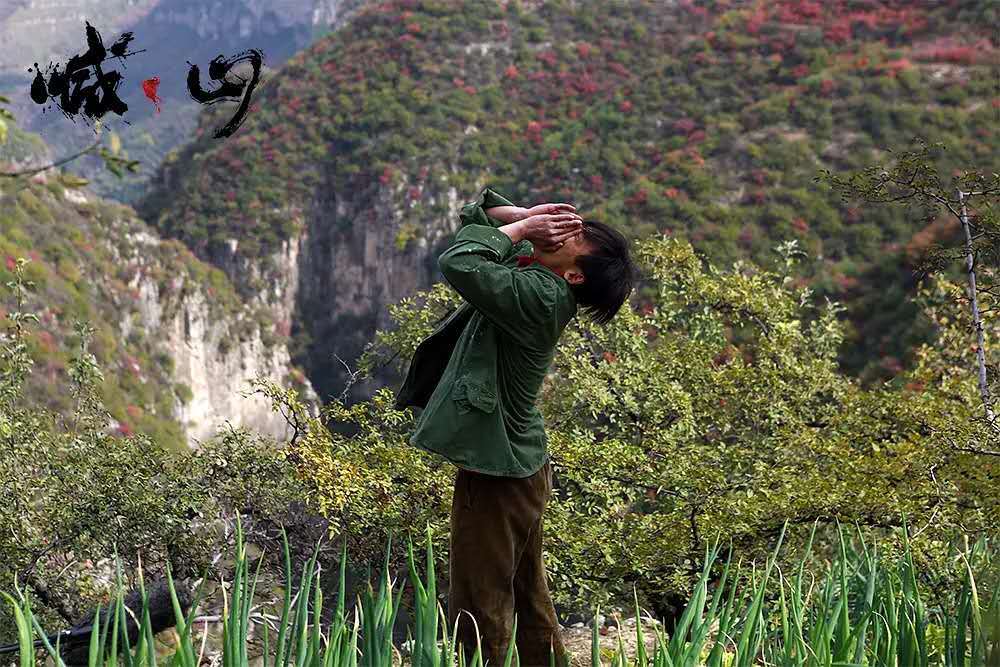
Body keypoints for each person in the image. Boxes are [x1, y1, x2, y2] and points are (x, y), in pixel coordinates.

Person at [394, 187, 637, 666]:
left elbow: (460, 260)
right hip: (518, 464)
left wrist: (524, 229)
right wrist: (526, 216)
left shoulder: (542, 296)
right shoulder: (540, 271)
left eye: (578, 236)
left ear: (574, 274)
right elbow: (478, 219)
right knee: (526, 591)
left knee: (478, 596)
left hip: (499, 470)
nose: (566, 231)